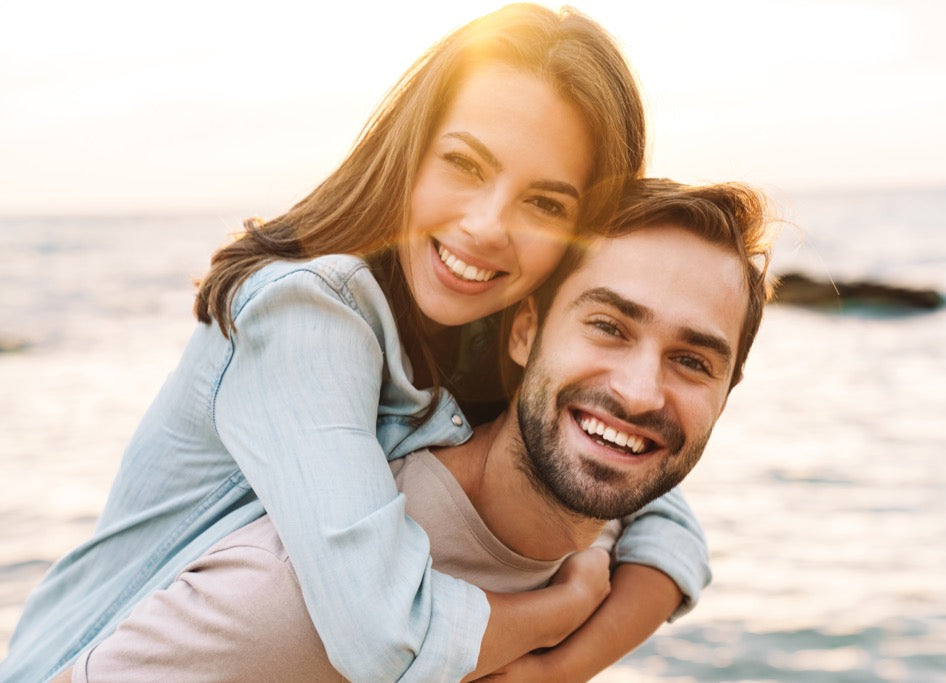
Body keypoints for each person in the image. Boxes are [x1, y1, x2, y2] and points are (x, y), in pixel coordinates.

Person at [1, 6, 710, 683]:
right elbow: (382, 632)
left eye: (545, 203)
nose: (486, 225)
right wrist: (565, 608)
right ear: (411, 148)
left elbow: (657, 512)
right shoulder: (308, 311)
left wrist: (563, 666)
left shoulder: (496, 334)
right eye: (465, 164)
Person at [55, 177, 776, 681]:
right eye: (608, 326)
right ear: (523, 332)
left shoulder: (604, 525)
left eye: (691, 360)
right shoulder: (290, 602)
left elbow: (672, 529)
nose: (640, 391)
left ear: (726, 393)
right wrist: (562, 613)